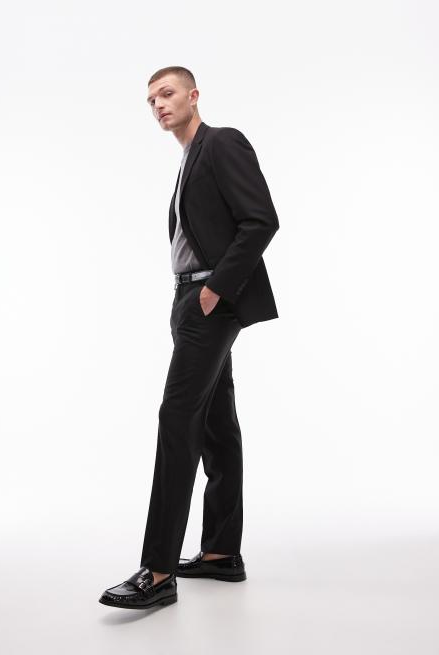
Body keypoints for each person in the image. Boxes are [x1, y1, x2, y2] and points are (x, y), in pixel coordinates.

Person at [99, 66, 280, 610]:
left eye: (167, 93)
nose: (158, 104)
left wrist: (214, 291)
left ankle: (157, 572)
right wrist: (192, 297)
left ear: (194, 95)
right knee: (217, 425)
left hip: (210, 300)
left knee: (177, 419)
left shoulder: (221, 143)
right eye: (150, 99)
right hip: (190, 299)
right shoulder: (186, 160)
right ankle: (222, 553)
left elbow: (261, 220)